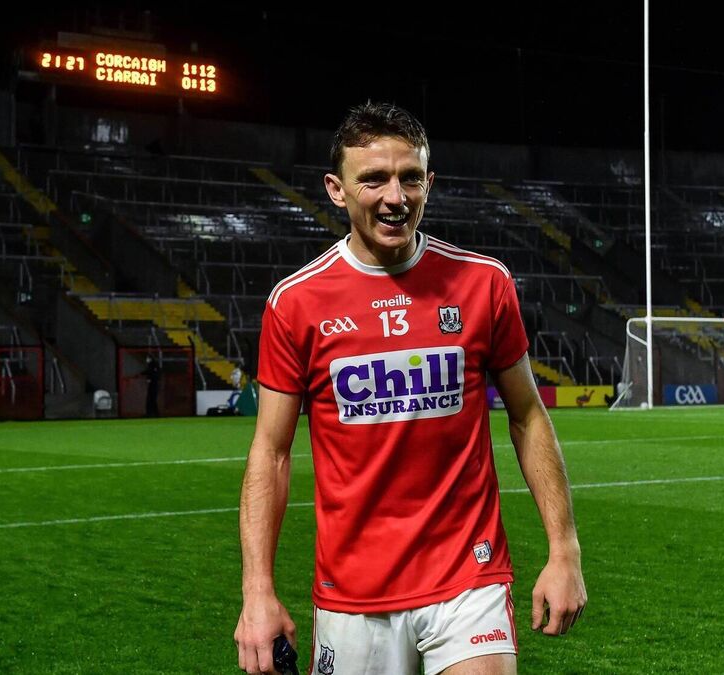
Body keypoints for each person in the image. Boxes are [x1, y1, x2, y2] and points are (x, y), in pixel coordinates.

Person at [234, 103, 586, 675]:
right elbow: (271, 452)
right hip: (353, 590)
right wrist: (258, 593)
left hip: (468, 573)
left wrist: (564, 548)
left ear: (429, 182)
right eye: (373, 179)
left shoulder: (483, 283)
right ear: (336, 190)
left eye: (410, 178)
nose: (395, 197)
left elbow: (527, 414)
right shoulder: (296, 303)